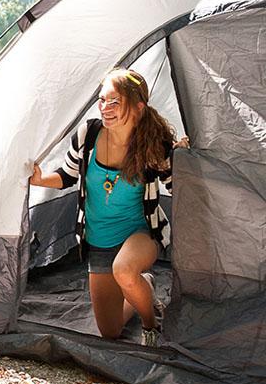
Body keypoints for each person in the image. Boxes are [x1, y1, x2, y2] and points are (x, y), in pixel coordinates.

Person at [29, 68, 187, 347]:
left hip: (139, 233)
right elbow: (68, 175)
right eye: (102, 100)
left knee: (124, 270)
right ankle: (145, 287)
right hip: (99, 241)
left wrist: (184, 159)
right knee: (110, 332)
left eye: (114, 101)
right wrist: (41, 179)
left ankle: (151, 325)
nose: (105, 108)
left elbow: (178, 188)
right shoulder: (88, 135)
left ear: (138, 106)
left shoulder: (154, 144)